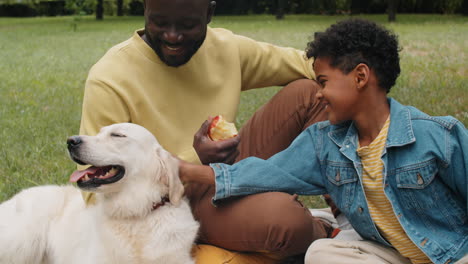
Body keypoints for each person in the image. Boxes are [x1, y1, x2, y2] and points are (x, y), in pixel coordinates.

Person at [179, 19, 468, 264]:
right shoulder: (324, 143)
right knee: (320, 253)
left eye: (323, 81)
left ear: (361, 77)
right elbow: (262, 173)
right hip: (390, 251)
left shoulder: (437, 136)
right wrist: (188, 171)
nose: (318, 93)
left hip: (454, 252)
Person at [78, 0, 335, 262]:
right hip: (170, 207)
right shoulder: (110, 77)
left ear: (209, 13)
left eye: (188, 25)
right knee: (286, 220)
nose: (172, 37)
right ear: (145, 8)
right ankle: (323, 230)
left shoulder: (225, 48)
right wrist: (196, 159)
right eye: (160, 23)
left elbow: (316, 66)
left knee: (312, 93)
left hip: (228, 169)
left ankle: (346, 215)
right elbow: (95, 197)